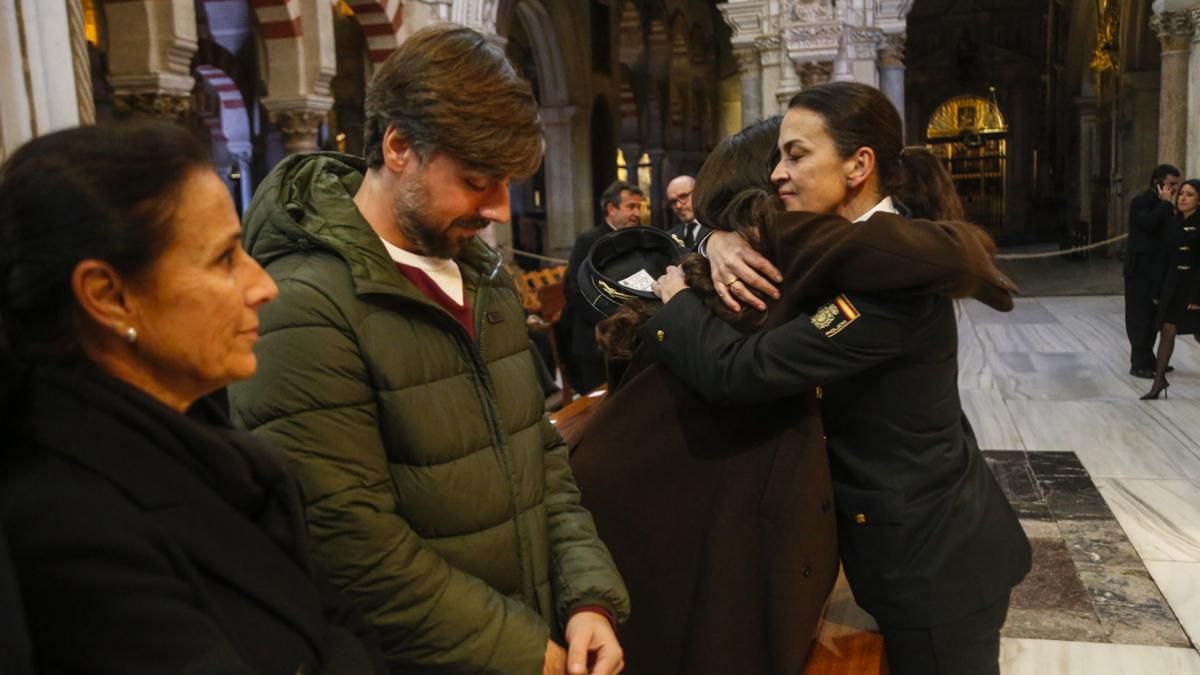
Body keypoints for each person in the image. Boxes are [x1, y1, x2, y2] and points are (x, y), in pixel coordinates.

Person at [228, 25, 629, 675]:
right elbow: (355, 550)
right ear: (398, 147)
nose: (499, 209)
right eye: (476, 180)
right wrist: (533, 656)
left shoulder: (484, 279)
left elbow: (544, 468)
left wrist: (588, 598)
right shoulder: (304, 308)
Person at [570, 116, 1019, 675]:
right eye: (780, 163)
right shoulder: (774, 278)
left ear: (855, 168)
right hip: (875, 558)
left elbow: (741, 370)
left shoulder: (879, 272)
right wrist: (716, 237)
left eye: (798, 159)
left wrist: (696, 276)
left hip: (939, 560)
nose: (789, 173)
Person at [0, 121, 385, 674]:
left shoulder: (216, 445)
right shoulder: (69, 524)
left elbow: (347, 626)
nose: (264, 285)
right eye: (225, 259)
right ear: (109, 296)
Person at [562, 180, 645, 393]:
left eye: (639, 207)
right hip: (596, 341)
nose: (637, 213)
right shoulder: (588, 241)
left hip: (629, 339)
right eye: (631, 207)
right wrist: (612, 324)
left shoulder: (635, 239)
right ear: (611, 209)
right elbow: (576, 291)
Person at [1141, 178, 1200, 399]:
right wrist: (1158, 291)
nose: (1183, 198)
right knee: (1167, 330)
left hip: (1195, 284)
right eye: (1181, 193)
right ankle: (1158, 381)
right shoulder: (1172, 223)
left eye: (1190, 194)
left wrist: (1198, 294)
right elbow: (1165, 258)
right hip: (1173, 284)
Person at [1126, 165, 1181, 378]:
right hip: (1141, 271)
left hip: (1159, 270)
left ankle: (1150, 359)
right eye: (1171, 184)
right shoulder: (1141, 202)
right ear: (1158, 183)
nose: (1175, 189)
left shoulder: (1166, 205)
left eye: (1177, 184)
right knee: (1140, 316)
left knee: (1153, 317)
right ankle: (1138, 363)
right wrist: (1166, 204)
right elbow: (1148, 224)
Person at [665, 175, 711, 251]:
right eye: (673, 202)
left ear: (698, 193)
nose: (678, 206)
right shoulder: (668, 237)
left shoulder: (716, 230)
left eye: (683, 197)